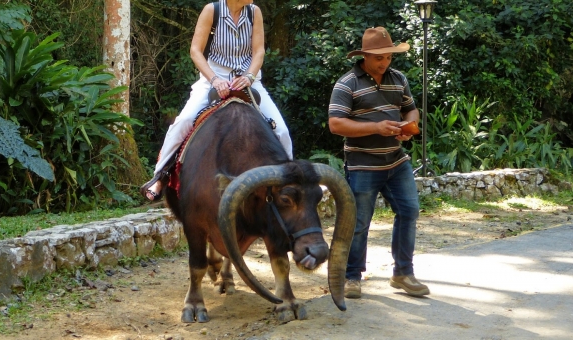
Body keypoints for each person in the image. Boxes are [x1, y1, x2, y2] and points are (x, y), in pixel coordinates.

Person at [140, 0, 293, 201]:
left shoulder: (254, 12)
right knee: (184, 121)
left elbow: (259, 51)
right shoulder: (212, 10)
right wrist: (214, 79)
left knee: (281, 130)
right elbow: (195, 50)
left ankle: (290, 180)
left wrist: (249, 77)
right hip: (213, 77)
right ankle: (160, 176)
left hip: (248, 80)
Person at [327, 27, 429, 298]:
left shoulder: (399, 79)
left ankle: (403, 273)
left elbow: (410, 107)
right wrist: (376, 127)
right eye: (379, 58)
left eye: (388, 57)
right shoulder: (346, 83)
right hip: (362, 164)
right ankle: (351, 277)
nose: (384, 63)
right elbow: (335, 124)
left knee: (409, 211)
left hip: (396, 161)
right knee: (359, 222)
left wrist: (410, 126)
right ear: (365, 56)